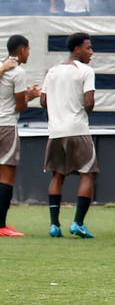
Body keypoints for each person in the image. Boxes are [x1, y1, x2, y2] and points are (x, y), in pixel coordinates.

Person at [41, 32, 98, 239]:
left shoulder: (53, 71)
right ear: (77, 49)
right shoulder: (86, 70)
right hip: (78, 130)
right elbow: (89, 102)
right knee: (88, 174)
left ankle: (54, 225)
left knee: (57, 174)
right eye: (88, 48)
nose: (91, 52)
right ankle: (78, 223)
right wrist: (81, 110)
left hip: (55, 132)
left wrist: (60, 107)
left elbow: (43, 101)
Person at [0, 35, 40, 236]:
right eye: (28, 50)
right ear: (22, 50)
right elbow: (19, 106)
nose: (28, 54)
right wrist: (29, 97)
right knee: (7, 175)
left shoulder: (2, 67)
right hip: (6, 126)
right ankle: (1, 225)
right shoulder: (18, 72)